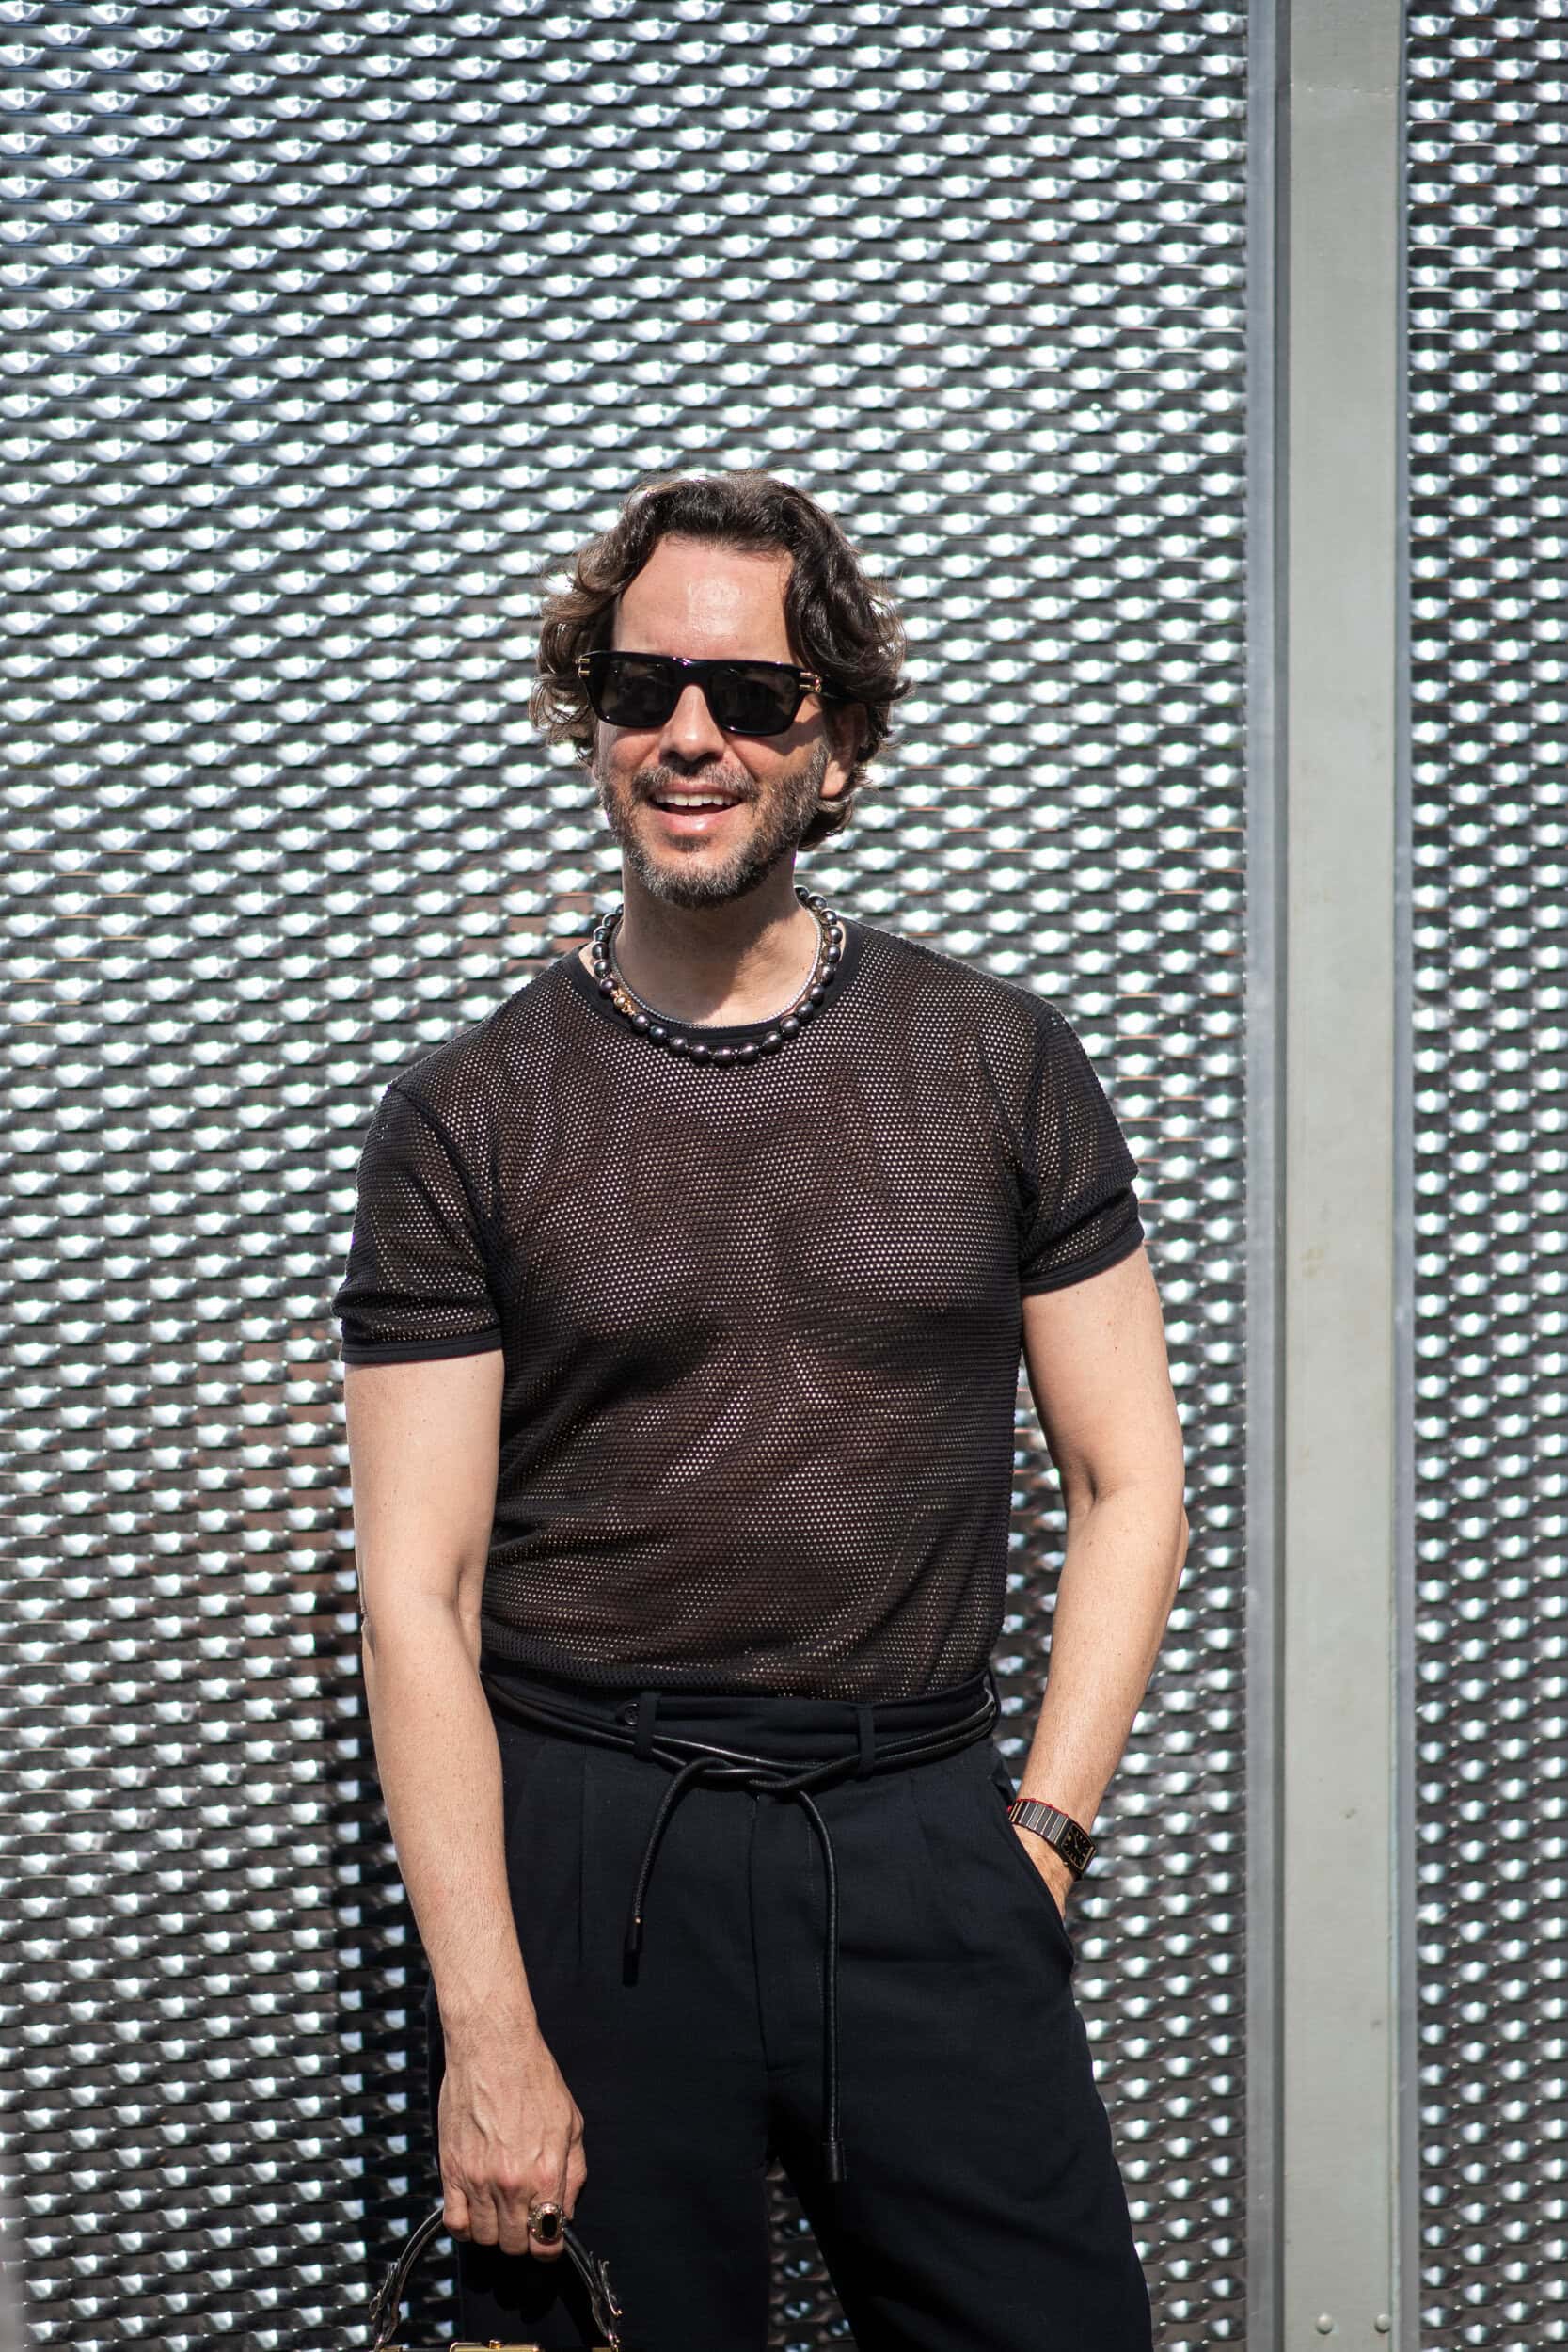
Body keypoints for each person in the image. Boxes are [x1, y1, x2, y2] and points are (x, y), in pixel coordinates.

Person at [332, 469, 1187, 2352]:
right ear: (594, 722)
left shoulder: (996, 1064)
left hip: (921, 1833)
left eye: (753, 693)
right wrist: (489, 2028)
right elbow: (418, 1592)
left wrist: (1040, 1839)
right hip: (592, 1855)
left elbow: (1132, 1481)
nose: (691, 735)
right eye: (642, 688)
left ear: (837, 739)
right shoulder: (468, 1115)